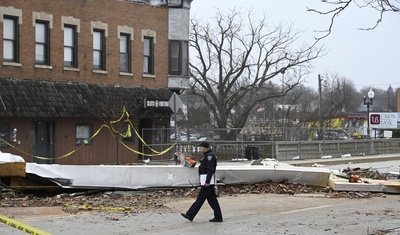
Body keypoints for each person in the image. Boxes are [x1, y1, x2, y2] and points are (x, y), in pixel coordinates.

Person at [181, 141, 223, 222]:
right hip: (206, 180)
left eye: (200, 147)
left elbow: (210, 169)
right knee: (212, 200)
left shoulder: (210, 156)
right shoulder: (207, 156)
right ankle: (218, 217)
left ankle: (190, 214)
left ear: (204, 147)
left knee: (200, 199)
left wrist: (207, 181)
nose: (199, 149)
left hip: (207, 181)